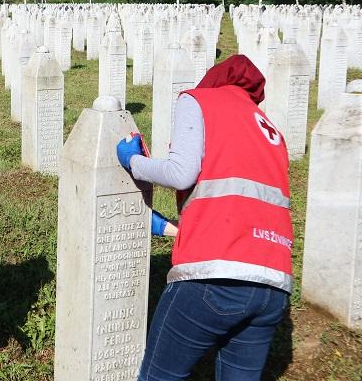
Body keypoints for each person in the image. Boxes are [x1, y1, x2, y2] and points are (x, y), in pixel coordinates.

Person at [116, 55, 292, 381]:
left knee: (159, 376)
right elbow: (240, 205)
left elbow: (181, 174)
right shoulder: (269, 129)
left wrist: (135, 162)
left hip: (214, 277)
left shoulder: (199, 100)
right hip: (274, 285)